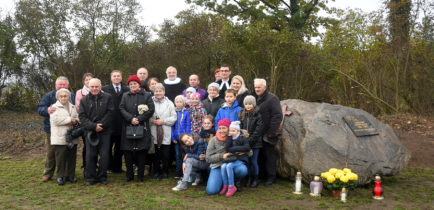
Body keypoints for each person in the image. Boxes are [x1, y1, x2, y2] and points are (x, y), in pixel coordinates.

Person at [37, 76, 75, 182]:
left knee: (66, 152)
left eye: (64, 84)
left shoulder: (72, 95)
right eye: (60, 84)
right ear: (55, 85)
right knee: (51, 152)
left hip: (69, 130)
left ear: (68, 85)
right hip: (52, 130)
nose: (62, 86)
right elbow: (40, 109)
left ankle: (66, 174)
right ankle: (48, 173)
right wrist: (47, 109)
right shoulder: (49, 96)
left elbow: (75, 109)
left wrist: (72, 121)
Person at [79, 78, 114, 186]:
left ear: (100, 86)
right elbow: (82, 117)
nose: (94, 89)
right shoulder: (83, 100)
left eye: (96, 86)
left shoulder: (108, 97)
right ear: (89, 87)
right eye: (92, 87)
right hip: (90, 132)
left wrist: (101, 125)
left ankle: (102, 177)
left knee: (104, 155)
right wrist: (94, 126)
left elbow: (111, 113)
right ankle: (91, 177)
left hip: (105, 131)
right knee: (90, 155)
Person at [119, 75, 155, 182]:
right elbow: (121, 108)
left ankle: (140, 176)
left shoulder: (147, 95)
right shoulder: (125, 95)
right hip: (128, 126)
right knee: (128, 152)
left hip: (142, 127)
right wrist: (131, 119)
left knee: (141, 152)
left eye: (135, 83)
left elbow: (151, 109)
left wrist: (139, 119)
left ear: (139, 84)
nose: (133, 85)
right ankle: (129, 175)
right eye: (131, 84)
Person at [253, 78, 282, 186]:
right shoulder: (255, 98)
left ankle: (271, 177)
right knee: (260, 156)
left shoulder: (272, 98)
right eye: (255, 87)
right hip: (257, 133)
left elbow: (277, 115)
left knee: (269, 156)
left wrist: (271, 132)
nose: (257, 89)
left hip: (268, 133)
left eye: (259, 87)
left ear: (264, 87)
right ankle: (262, 175)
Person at [205, 119, 247, 195]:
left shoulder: (236, 137)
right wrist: (221, 156)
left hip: (232, 164)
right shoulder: (213, 140)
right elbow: (208, 158)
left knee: (242, 170)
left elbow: (249, 151)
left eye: (224, 128)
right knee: (211, 190)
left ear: (229, 129)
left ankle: (234, 182)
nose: (221, 131)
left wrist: (243, 151)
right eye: (219, 128)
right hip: (218, 166)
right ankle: (224, 183)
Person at [49, 88, 79, 186]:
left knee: (72, 158)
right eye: (61, 96)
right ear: (58, 97)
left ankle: (70, 176)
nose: (63, 98)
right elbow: (55, 121)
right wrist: (70, 120)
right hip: (60, 137)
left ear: (69, 97)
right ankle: (60, 177)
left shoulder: (73, 107)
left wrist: (75, 121)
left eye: (65, 96)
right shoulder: (54, 107)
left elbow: (78, 118)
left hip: (72, 136)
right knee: (61, 158)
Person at [102, 70, 129, 173]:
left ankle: (117, 167)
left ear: (121, 77)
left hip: (122, 122)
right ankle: (109, 166)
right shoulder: (104, 89)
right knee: (107, 147)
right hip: (109, 123)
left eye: (118, 76)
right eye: (114, 76)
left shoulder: (126, 89)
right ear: (111, 77)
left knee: (120, 147)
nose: (116, 78)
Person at [150, 83, 177, 180]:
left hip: (165, 131)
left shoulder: (169, 103)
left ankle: (165, 172)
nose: (158, 93)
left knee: (165, 155)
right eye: (156, 91)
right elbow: (146, 116)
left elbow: (174, 118)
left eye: (160, 91)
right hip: (154, 131)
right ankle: (156, 172)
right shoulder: (150, 102)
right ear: (154, 92)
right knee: (155, 155)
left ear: (164, 92)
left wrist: (163, 121)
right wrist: (152, 121)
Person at [238, 95, 263, 187]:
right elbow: (240, 128)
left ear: (253, 104)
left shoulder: (258, 115)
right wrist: (244, 140)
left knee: (254, 161)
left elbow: (258, 130)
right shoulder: (241, 114)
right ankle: (249, 178)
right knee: (247, 160)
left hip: (255, 143)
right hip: (245, 142)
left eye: (250, 104)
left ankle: (255, 179)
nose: (248, 106)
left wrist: (250, 140)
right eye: (246, 104)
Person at [219, 121, 250, 197]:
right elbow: (228, 148)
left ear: (238, 131)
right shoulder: (230, 138)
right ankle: (225, 185)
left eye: (234, 131)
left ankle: (231, 186)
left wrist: (235, 148)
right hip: (232, 158)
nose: (232, 132)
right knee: (223, 166)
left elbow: (247, 148)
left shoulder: (242, 138)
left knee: (229, 166)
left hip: (241, 159)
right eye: (230, 131)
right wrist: (229, 137)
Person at [75, 73, 93, 171]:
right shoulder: (79, 92)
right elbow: (78, 108)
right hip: (85, 122)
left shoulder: (98, 90)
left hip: (96, 122)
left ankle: (94, 164)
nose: (89, 81)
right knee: (87, 144)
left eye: (90, 79)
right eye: (86, 80)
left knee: (96, 144)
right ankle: (86, 164)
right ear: (84, 81)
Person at [171, 95, 191, 178]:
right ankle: (178, 172)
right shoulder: (173, 112)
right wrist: (172, 137)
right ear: (175, 103)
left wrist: (187, 136)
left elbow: (187, 124)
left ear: (183, 103)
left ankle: (186, 172)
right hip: (176, 138)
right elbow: (172, 125)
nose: (178, 104)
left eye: (180, 102)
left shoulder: (186, 112)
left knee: (185, 155)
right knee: (178, 155)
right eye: (177, 102)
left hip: (184, 138)